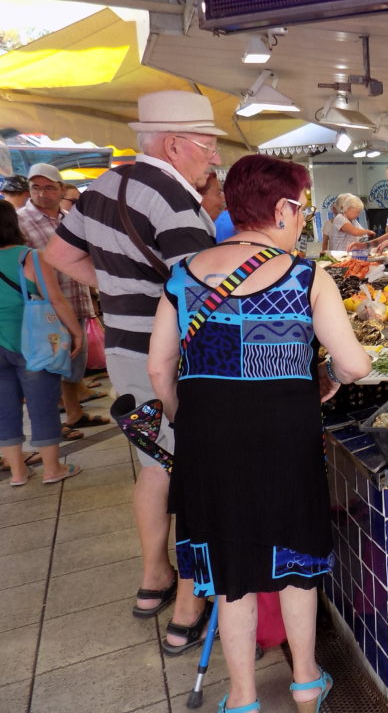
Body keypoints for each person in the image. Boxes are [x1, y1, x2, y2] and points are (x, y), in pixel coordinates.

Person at [148, 154, 371, 713]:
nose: (303, 219)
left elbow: (159, 368)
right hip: (284, 436)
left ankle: (243, 697)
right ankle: (304, 682)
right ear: (280, 209)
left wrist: (188, 417)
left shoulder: (183, 274)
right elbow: (355, 365)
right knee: (295, 563)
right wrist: (332, 379)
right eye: (302, 207)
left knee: (230, 569)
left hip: (208, 436)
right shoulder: (304, 275)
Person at [45, 90, 222, 652]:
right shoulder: (174, 197)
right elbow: (200, 291)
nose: (213, 157)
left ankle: (154, 579)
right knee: (195, 467)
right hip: (174, 358)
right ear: (174, 144)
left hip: (123, 352)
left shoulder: (100, 187)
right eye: (209, 144)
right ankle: (191, 601)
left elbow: (60, 256)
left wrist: (121, 293)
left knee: (154, 464)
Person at [19, 163, 108, 441]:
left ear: (60, 189)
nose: (42, 194)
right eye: (36, 187)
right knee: (47, 369)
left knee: (74, 364)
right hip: (44, 308)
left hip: (76, 301)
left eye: (48, 187)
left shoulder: (70, 218)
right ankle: (49, 427)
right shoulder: (20, 221)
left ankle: (74, 413)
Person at [0, 199, 84, 486]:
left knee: (4, 409)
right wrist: (77, 332)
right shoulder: (31, 257)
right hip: (32, 343)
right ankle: (52, 469)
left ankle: (18, 473)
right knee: (43, 404)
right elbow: (56, 299)